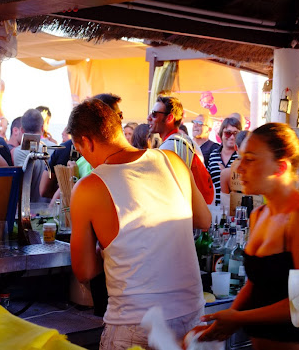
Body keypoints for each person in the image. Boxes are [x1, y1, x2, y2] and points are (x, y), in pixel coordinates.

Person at [67, 99, 211, 350]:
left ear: (87, 142)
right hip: (192, 317)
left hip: (135, 323)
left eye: (80, 150)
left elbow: (85, 271)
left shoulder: (88, 187)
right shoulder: (171, 160)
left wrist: (109, 252)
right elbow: (203, 220)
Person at [199, 123, 299, 349]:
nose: (239, 167)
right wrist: (226, 321)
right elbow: (255, 282)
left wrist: (238, 318)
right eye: (240, 158)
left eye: (250, 159)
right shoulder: (259, 214)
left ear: (280, 167)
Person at [149, 96, 215, 204]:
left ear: (169, 118)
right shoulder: (187, 141)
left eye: (154, 114)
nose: (149, 118)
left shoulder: (170, 147)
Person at [12, 109, 50, 203]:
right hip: (51, 207)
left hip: (28, 207)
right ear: (42, 128)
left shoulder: (18, 152)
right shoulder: (54, 148)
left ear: (22, 130)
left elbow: (22, 182)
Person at [207, 116, 242, 204]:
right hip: (215, 206)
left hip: (235, 206)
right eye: (228, 133)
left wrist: (226, 174)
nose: (232, 137)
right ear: (221, 134)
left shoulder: (241, 156)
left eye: (235, 133)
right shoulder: (213, 155)